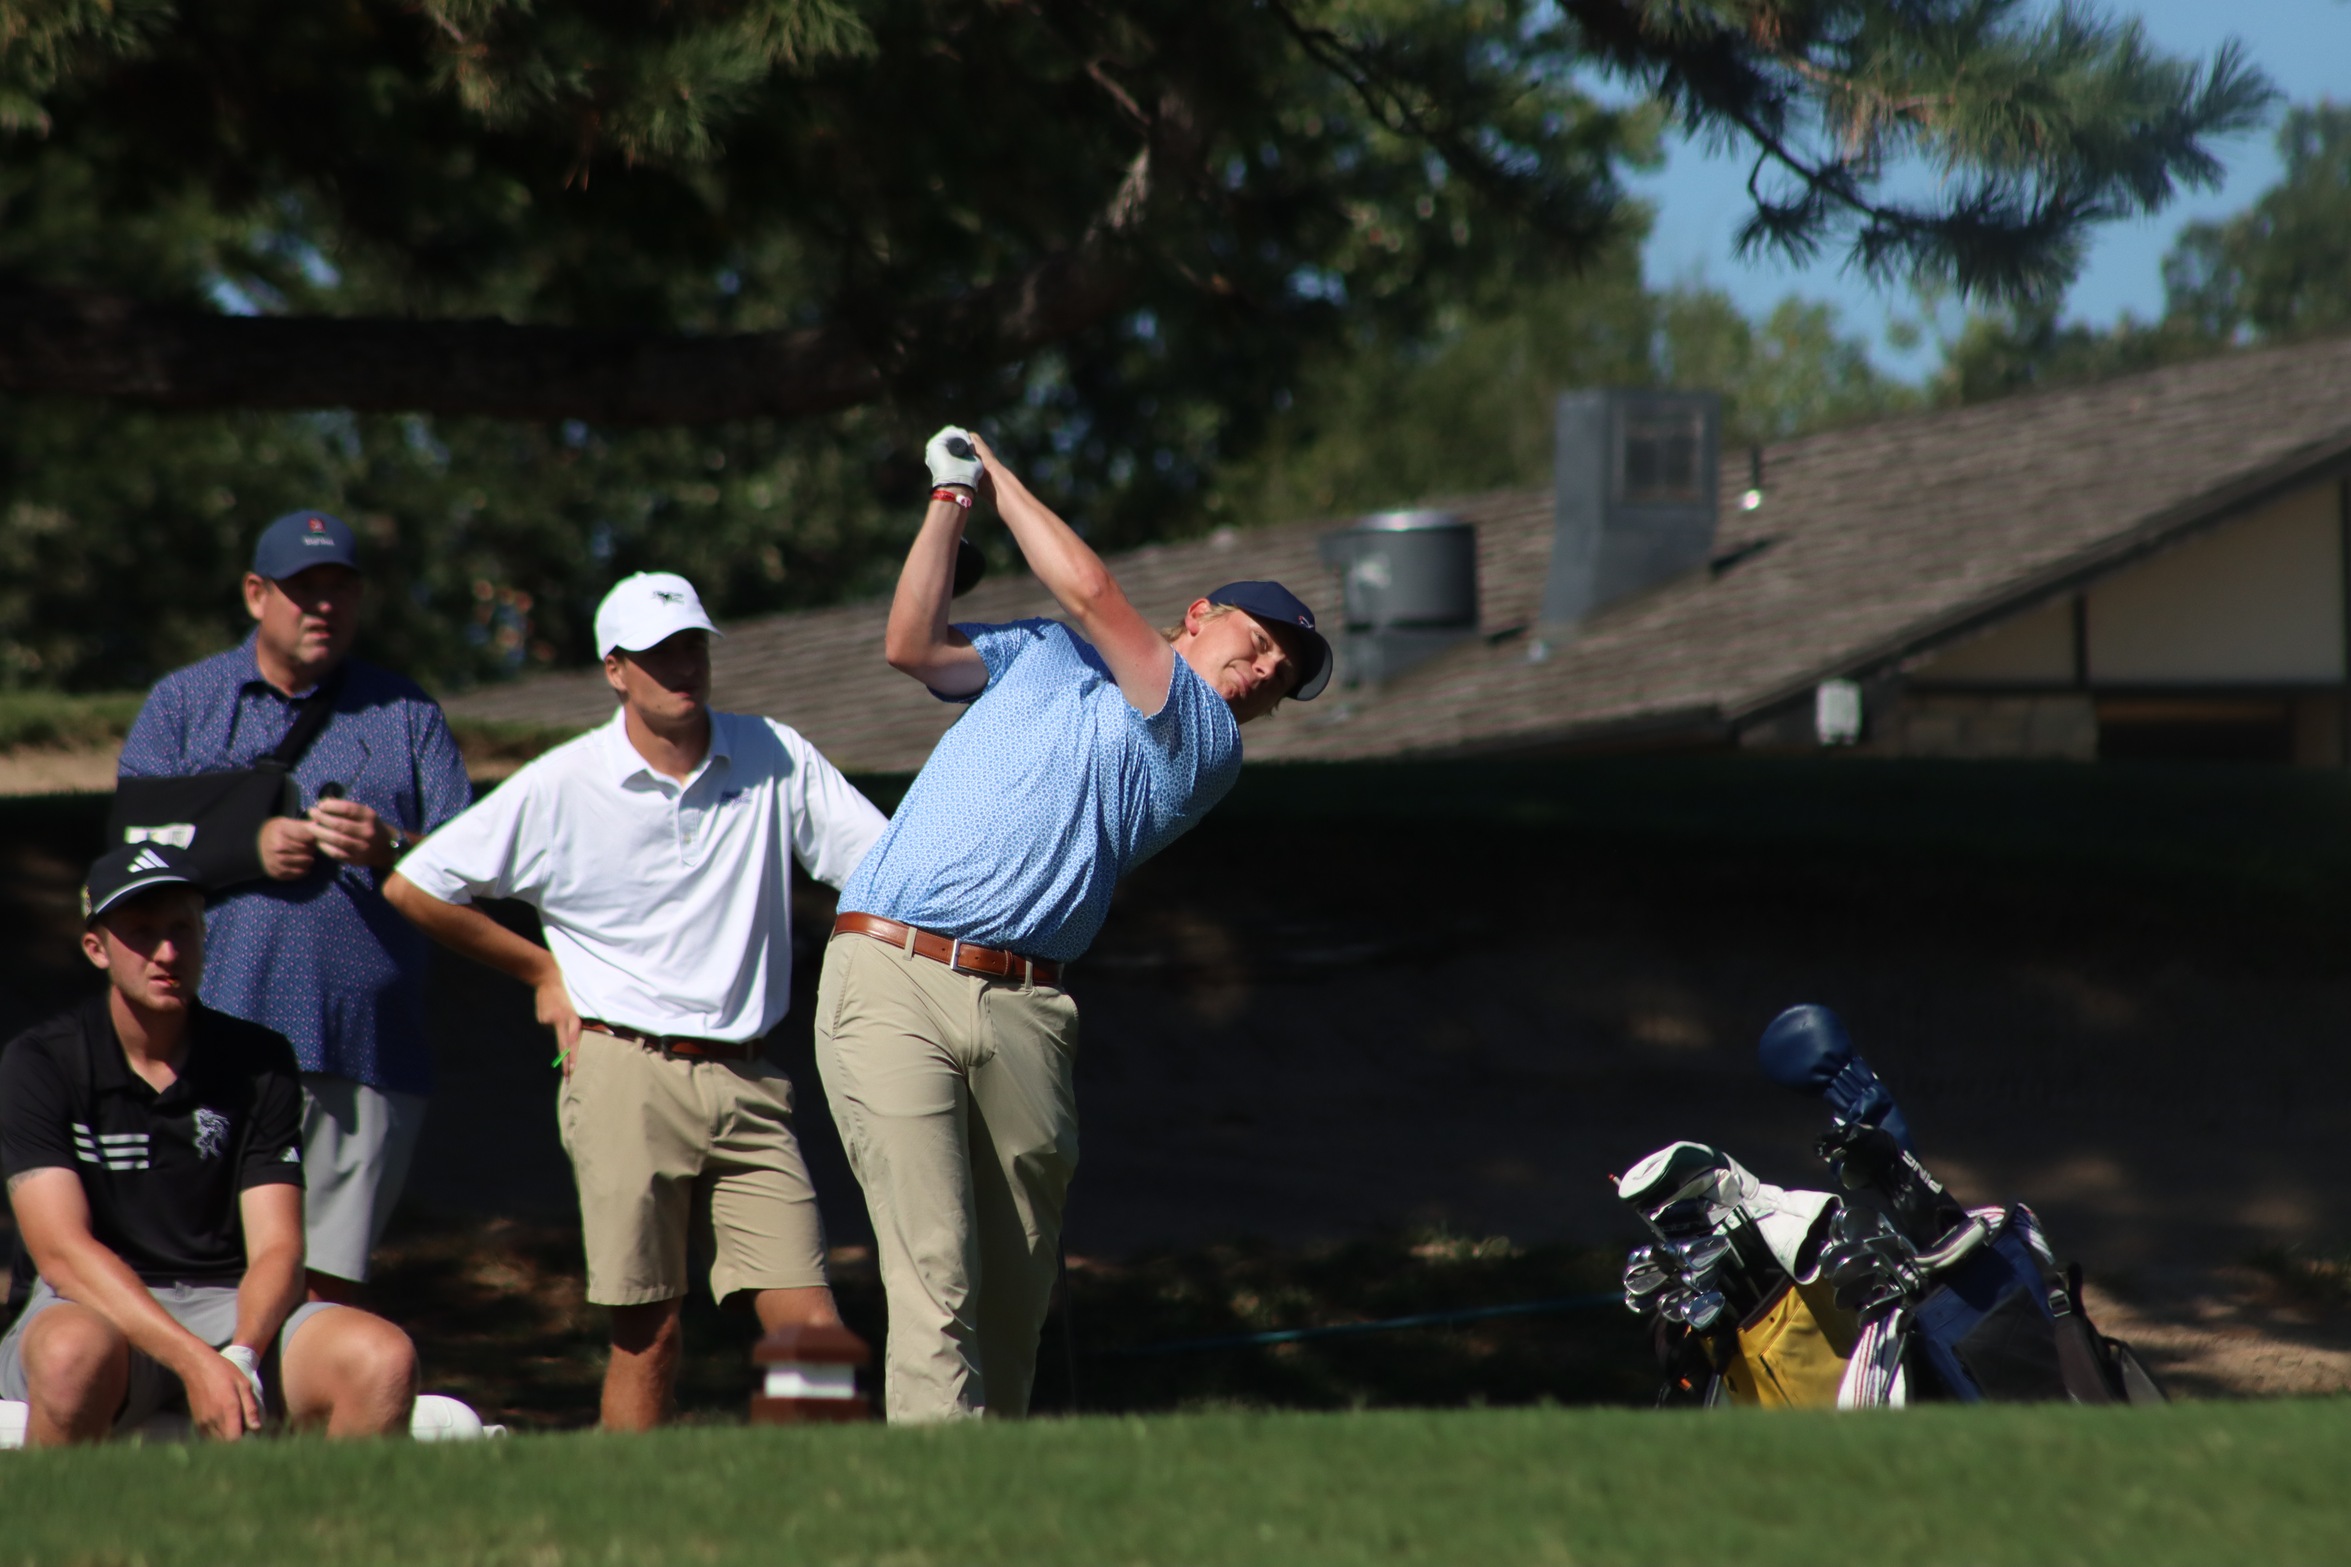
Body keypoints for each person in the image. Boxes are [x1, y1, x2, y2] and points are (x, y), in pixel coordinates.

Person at [815, 427, 1333, 1422]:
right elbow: (911, 643)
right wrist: (950, 497)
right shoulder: (1041, 656)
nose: (1267, 671)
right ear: (1199, 616)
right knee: (936, 1279)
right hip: (890, 973)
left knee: (1011, 1308)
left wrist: (997, 469)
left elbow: (1092, 591)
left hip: (1026, 1014)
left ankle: (991, 1511)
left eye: (1284, 675)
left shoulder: (1202, 741)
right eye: (1259, 643)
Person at [383, 572, 888, 1430]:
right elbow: (417, 886)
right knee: (646, 1332)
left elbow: (884, 867)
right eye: (657, 654)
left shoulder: (772, 752)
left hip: (748, 1081)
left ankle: (817, 1513)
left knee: (810, 1327)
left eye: (692, 645)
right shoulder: (564, 782)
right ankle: (626, 1525)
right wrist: (542, 972)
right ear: (614, 669)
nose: (681, 666)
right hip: (622, 1071)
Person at [116, 510, 472, 1301]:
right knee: (192, 1277)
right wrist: (248, 847)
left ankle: (305, 1426)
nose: (324, 607)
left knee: (324, 1294)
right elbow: (124, 859)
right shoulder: (186, 703)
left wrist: (396, 845)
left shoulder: (406, 714)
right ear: (255, 594)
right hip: (203, 1042)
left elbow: (471, 873)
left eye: (340, 589)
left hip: (362, 1050)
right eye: (303, 589)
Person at [0, 845, 418, 1445]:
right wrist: (196, 1361)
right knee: (70, 1358)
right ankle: (61, 1539)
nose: (167, 953)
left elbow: (279, 1248)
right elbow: (63, 1254)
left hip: (235, 1311)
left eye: (182, 929)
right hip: (97, 1309)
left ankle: (332, 1536)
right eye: (141, 934)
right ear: (97, 948)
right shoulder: (41, 1061)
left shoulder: (259, 1059)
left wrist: (240, 1357)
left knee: (382, 1359)